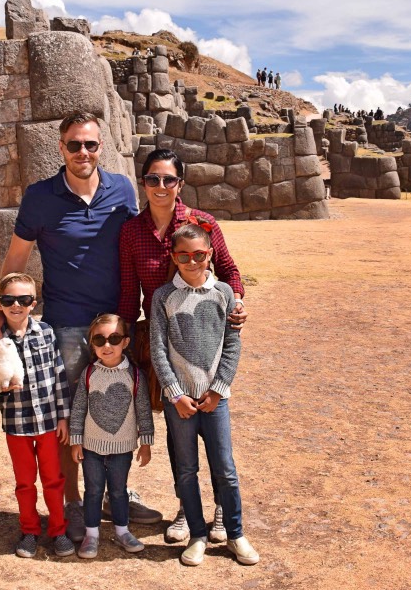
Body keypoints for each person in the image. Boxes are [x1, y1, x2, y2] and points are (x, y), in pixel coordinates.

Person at [0, 111, 161, 541]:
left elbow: (143, 242)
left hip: (114, 322)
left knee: (115, 408)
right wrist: (1, 314)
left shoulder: (122, 189)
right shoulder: (40, 197)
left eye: (91, 144)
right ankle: (74, 500)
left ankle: (113, 493)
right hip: (63, 325)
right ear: (60, 147)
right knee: (67, 415)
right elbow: (16, 259)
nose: (83, 152)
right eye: (74, 144)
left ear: (101, 147)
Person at [118, 148, 246, 544]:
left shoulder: (202, 224)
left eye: (168, 179)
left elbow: (229, 271)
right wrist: (121, 339)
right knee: (179, 430)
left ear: (180, 183)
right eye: (153, 178)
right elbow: (128, 290)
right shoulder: (131, 232)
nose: (160, 186)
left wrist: (237, 302)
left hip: (206, 340)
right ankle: (185, 509)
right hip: (163, 345)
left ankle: (224, 511)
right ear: (143, 182)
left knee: (214, 426)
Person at [151, 223, 258, 566]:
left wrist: (218, 390)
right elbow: (158, 350)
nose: (192, 262)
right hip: (179, 401)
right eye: (184, 256)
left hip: (215, 400)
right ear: (174, 257)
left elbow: (232, 345)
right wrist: (175, 394)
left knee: (224, 468)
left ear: (210, 254)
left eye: (199, 255)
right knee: (185, 469)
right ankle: (197, 534)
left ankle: (235, 534)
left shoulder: (224, 294)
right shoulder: (163, 297)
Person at [0, 272, 76, 559]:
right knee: (25, 482)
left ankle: (58, 530)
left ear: (33, 303)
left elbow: (59, 376)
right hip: (16, 423)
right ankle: (29, 531)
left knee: (53, 479)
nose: (16, 305)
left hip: (48, 421)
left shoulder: (46, 332)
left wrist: (63, 417)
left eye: (23, 300)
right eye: (9, 300)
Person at [69, 313, 154, 559]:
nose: (107, 346)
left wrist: (146, 443)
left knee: (118, 491)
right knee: (93, 491)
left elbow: (143, 412)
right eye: (99, 340)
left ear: (125, 342)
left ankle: (122, 530)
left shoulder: (134, 376)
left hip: (122, 448)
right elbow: (78, 410)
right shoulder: (88, 374)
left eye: (114, 339)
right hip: (91, 447)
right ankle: (91, 534)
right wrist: (76, 440)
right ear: (92, 344)